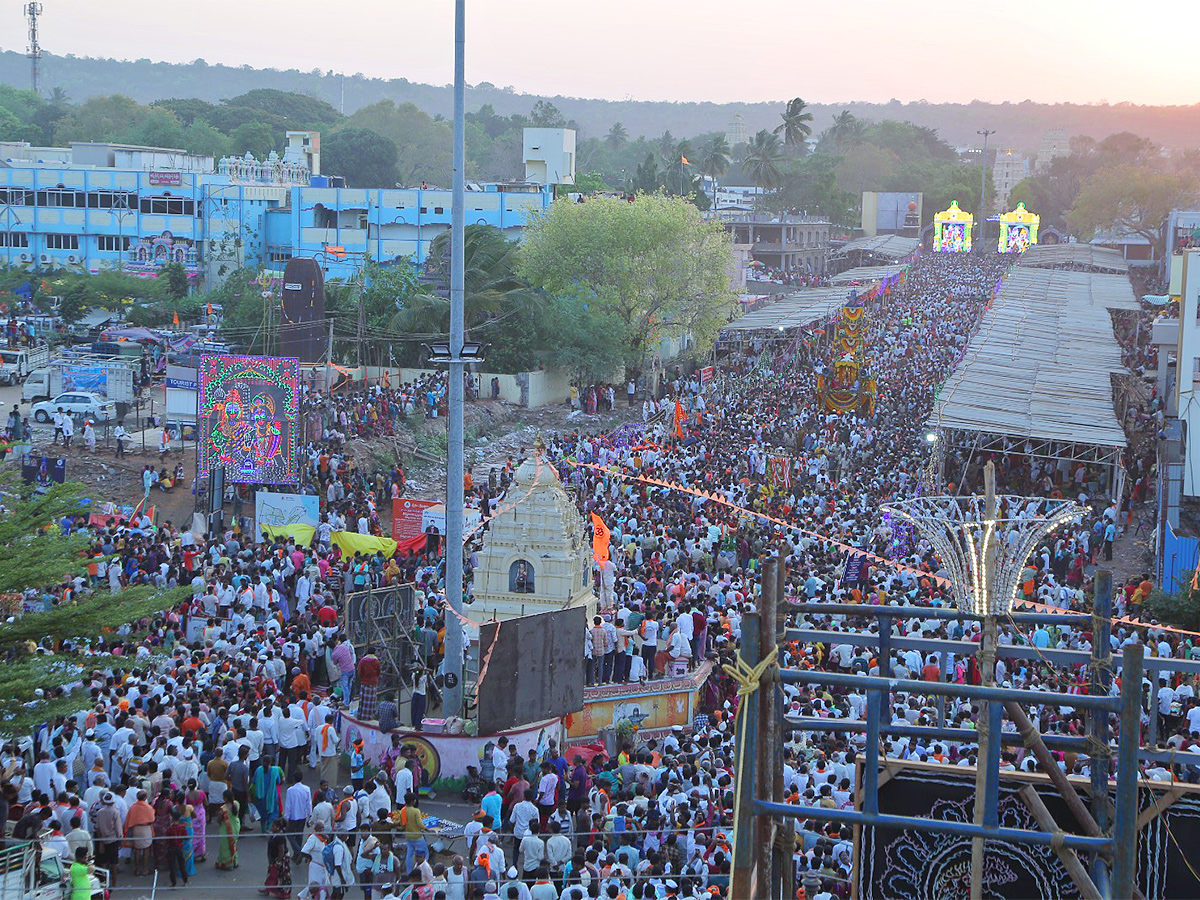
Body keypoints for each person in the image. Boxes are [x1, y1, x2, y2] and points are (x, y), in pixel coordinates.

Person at [263, 818, 293, 899]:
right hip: (274, 857)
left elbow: (281, 851)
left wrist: (278, 861)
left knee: (282, 875)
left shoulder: (280, 837)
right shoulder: (274, 834)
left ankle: (284, 893)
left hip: (281, 859)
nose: (272, 828)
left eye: (273, 826)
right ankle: (267, 889)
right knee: (271, 873)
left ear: (278, 827)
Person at [215, 789, 241, 871]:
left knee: (226, 847)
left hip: (226, 830)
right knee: (233, 844)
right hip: (236, 828)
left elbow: (218, 820)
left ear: (225, 798)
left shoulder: (223, 809)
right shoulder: (236, 804)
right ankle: (235, 862)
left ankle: (228, 864)